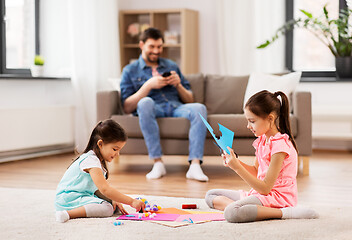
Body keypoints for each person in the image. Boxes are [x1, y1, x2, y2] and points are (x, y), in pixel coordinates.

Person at [205, 90, 318, 223]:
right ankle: (248, 207)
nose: (248, 126)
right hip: (261, 194)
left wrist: (237, 169)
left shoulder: (280, 146)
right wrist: (235, 163)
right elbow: (256, 171)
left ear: (270, 118)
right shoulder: (262, 140)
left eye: (252, 121)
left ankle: (284, 212)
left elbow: (265, 188)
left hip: (278, 197)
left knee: (232, 213)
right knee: (210, 195)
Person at [120, 27, 208, 181]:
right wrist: (148, 85)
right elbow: (127, 106)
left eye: (159, 47)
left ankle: (195, 166)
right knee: (144, 103)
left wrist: (178, 84)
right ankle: (158, 163)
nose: (156, 50)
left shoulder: (171, 65)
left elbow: (190, 100)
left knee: (199, 108)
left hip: (176, 107)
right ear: (142, 45)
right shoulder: (130, 70)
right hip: (154, 107)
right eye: (152, 47)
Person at [55, 120, 145, 223]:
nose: (117, 154)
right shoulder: (91, 160)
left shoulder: (95, 161)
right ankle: (67, 214)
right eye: (115, 149)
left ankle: (71, 211)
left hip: (75, 197)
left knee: (111, 205)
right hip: (68, 199)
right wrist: (131, 201)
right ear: (100, 144)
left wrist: (112, 200)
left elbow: (95, 189)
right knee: (107, 209)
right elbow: (105, 189)